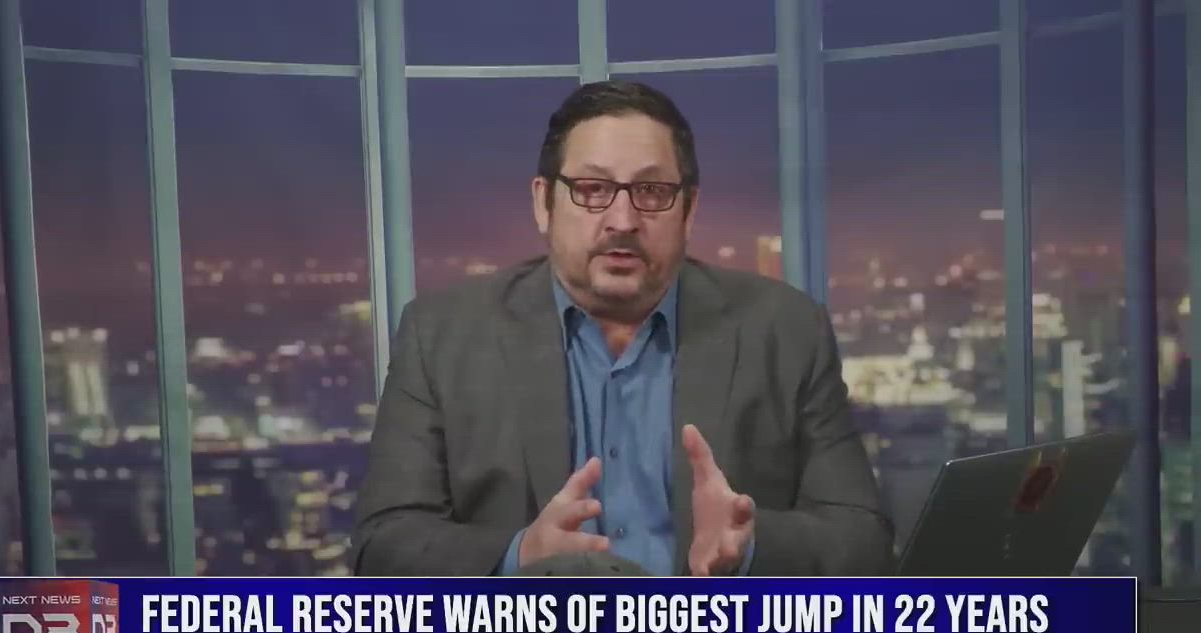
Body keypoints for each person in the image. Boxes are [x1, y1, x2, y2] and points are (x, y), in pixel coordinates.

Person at [349, 80, 893, 577]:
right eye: (592, 188)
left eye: (652, 191)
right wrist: (520, 559)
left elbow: (863, 542)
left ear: (689, 209)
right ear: (543, 202)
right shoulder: (441, 335)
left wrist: (750, 546)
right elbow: (383, 546)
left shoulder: (785, 331)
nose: (623, 220)